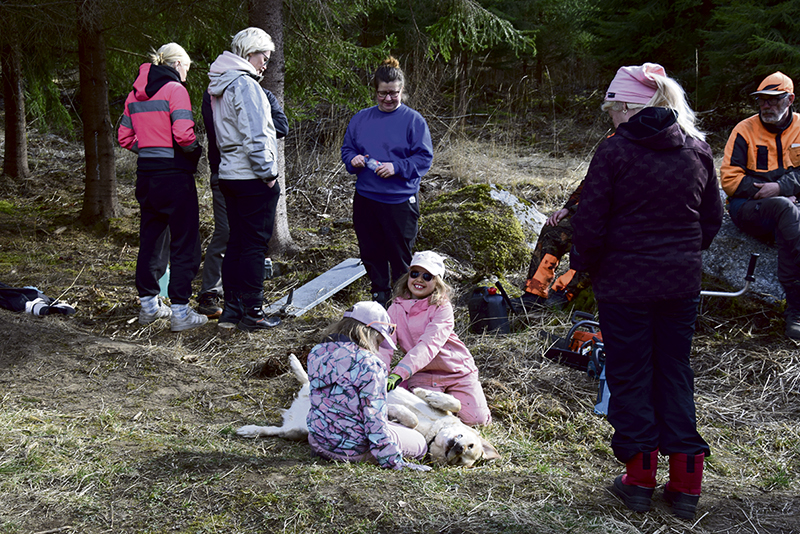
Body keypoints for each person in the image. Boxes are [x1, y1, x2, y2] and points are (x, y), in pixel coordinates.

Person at [570, 63, 723, 519]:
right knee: (674, 371)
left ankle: (638, 481)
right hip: (680, 283)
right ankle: (687, 484)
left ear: (630, 106)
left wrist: (585, 267)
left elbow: (590, 222)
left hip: (625, 284)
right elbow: (711, 220)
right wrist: (681, 256)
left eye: (612, 110)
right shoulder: (697, 149)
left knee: (631, 375)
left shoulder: (614, 152)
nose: (611, 119)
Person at [118, 43, 207, 332]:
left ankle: (148, 307)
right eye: (187, 68)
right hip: (175, 177)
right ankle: (180, 312)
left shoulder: (134, 94)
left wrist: (150, 150)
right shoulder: (175, 90)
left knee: (151, 240)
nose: (187, 74)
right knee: (184, 242)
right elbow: (183, 135)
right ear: (178, 64)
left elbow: (124, 137)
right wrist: (194, 151)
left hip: (147, 176)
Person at [341, 56, 434, 308]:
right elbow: (347, 150)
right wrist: (353, 160)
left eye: (394, 93)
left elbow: (424, 158)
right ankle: (379, 297)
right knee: (371, 252)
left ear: (402, 91)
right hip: (366, 198)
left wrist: (397, 167)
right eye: (383, 93)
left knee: (400, 256)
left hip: (399, 201)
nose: (388, 98)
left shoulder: (413, 121)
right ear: (375, 92)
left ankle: (404, 302)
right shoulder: (361, 119)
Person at [207, 28, 282, 331]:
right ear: (251, 52)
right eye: (265, 56)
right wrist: (269, 173)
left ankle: (232, 310)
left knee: (236, 242)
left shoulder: (221, 84)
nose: (265, 63)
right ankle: (253, 312)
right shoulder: (246, 85)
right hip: (251, 176)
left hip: (229, 174)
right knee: (253, 246)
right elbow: (256, 134)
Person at [197, 78, 289, 319]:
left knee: (243, 241)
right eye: (262, 60)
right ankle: (235, 303)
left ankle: (237, 305)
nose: (264, 66)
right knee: (234, 237)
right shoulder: (216, 93)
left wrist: (256, 118)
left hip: (244, 173)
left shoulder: (263, 94)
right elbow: (217, 129)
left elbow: (282, 126)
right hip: (233, 173)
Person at [720, 72, 800, 340]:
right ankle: (796, 313)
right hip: (747, 209)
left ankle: (796, 312)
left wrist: (782, 187)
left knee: (787, 218)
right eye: (762, 100)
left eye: (773, 100)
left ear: (789, 99)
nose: (766, 105)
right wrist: (771, 193)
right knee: (784, 209)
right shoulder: (744, 130)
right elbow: (729, 180)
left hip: (787, 209)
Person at [305, 301, 431, 471]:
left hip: (319, 441)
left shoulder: (317, 352)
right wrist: (393, 462)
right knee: (419, 443)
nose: (377, 348)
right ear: (371, 333)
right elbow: (374, 419)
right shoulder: (370, 363)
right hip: (353, 450)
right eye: (378, 341)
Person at [379, 250, 492, 426]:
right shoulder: (394, 309)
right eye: (415, 274)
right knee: (428, 420)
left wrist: (399, 373)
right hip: (422, 374)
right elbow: (385, 346)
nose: (419, 280)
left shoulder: (442, 308)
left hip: (456, 372)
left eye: (427, 276)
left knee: (476, 421)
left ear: (437, 281)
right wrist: (380, 375)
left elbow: (429, 345)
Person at [511, 183, 592, 311]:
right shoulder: (602, 168)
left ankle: (562, 293)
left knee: (597, 245)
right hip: (590, 213)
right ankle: (534, 293)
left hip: (617, 222)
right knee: (553, 230)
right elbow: (590, 182)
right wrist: (568, 208)